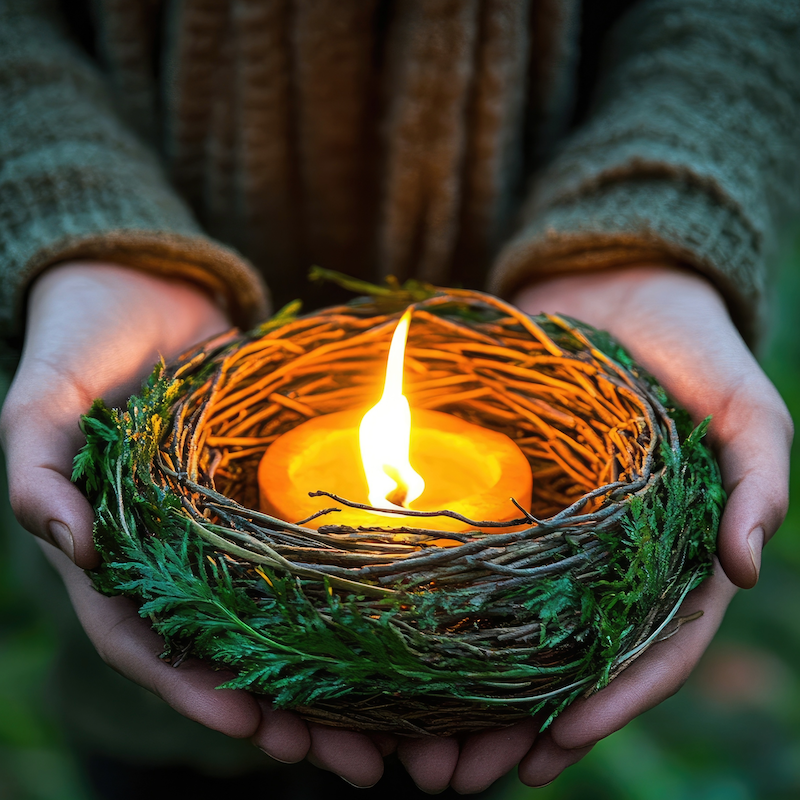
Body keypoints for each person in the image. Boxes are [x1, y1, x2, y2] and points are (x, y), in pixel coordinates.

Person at [0, 0, 797, 794]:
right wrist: (78, 226)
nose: (398, 497)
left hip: (501, 656)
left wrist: (662, 228)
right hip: (180, 655)